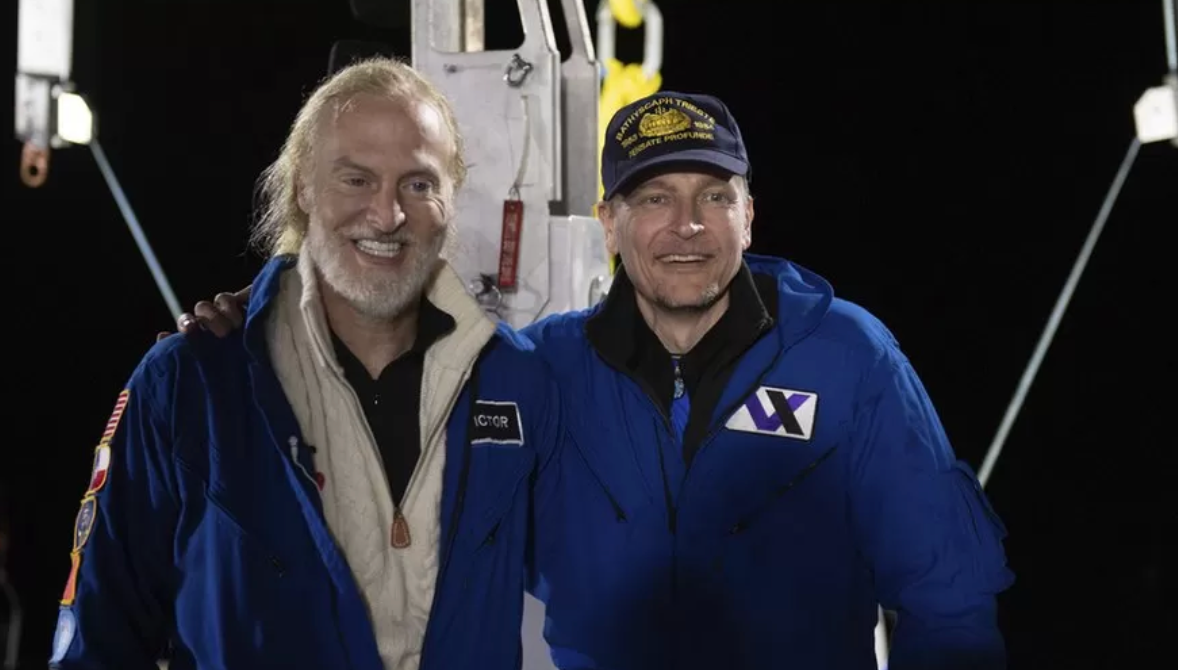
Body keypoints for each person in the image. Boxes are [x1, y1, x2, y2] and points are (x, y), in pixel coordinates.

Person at [180, 90, 1014, 669]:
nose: (686, 226)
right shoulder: (536, 372)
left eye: (713, 196)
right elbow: (384, 426)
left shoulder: (847, 356)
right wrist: (263, 324)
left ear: (749, 213)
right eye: (653, 198)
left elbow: (949, 593)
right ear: (609, 222)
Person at [50, 57, 564, 670]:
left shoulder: (519, 381)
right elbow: (98, 642)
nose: (388, 214)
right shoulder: (190, 384)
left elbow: (614, 569)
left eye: (419, 183)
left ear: (452, 196)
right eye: (356, 180)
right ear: (301, 186)